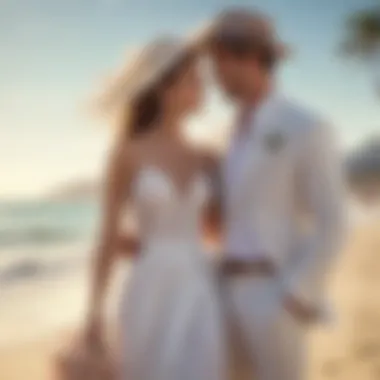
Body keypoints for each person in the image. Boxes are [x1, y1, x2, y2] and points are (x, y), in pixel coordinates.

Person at [199, 8, 346, 380]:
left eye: (217, 63)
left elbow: (334, 221)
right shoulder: (223, 134)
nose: (214, 77)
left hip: (275, 293)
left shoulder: (306, 126)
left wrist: (295, 296)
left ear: (245, 57)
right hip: (223, 295)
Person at [84, 36, 226, 380]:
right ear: (165, 87)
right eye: (194, 79)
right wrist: (94, 312)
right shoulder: (127, 153)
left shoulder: (208, 157)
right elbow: (106, 237)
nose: (203, 87)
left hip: (199, 286)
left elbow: (215, 231)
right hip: (149, 290)